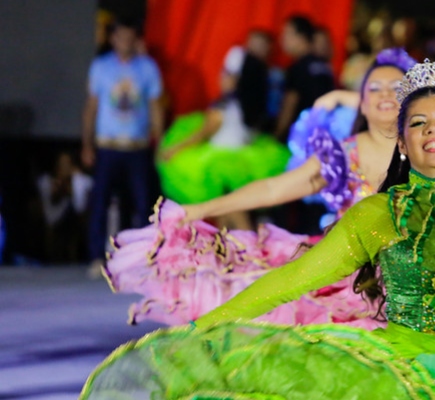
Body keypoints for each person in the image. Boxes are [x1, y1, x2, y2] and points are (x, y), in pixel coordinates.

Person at [81, 60, 435, 400]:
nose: (433, 131)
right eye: (418, 123)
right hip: (404, 359)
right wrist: (205, 330)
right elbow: (291, 280)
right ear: (404, 144)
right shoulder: (378, 215)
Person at [103, 49, 417, 326]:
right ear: (361, 102)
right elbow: (272, 190)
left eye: (395, 87)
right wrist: (198, 209)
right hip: (347, 277)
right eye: (374, 88)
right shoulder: (342, 154)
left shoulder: (428, 150)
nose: (385, 94)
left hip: (415, 278)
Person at [156, 46, 290, 230]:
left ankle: (249, 252)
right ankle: (236, 252)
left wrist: (175, 149)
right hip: (246, 164)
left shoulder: (224, 106)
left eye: (226, 73)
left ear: (236, 78)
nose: (221, 76)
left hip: (220, 166)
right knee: (230, 216)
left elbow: (202, 134)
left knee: (233, 213)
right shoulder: (252, 107)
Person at [82, 18, 163, 277]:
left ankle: (144, 259)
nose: (125, 41)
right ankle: (96, 257)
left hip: (137, 146)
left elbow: (155, 106)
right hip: (108, 145)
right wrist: (86, 143)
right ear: (113, 38)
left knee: (143, 204)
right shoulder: (101, 66)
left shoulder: (147, 67)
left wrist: (159, 142)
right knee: (100, 203)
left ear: (135, 38)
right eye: (121, 36)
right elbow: (92, 106)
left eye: (130, 36)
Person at [275, 16, 335, 140]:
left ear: (301, 37)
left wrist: (278, 134)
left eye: (286, 34)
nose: (282, 39)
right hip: (324, 135)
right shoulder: (324, 66)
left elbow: (290, 104)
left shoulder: (298, 67)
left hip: (299, 138)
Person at [37, 152, 93, 263]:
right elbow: (50, 212)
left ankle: (77, 256)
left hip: (75, 222)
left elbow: (79, 208)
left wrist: (75, 180)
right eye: (62, 164)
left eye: (68, 164)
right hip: (53, 220)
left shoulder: (80, 181)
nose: (65, 168)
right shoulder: (46, 181)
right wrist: (60, 189)